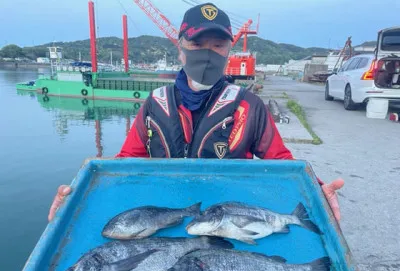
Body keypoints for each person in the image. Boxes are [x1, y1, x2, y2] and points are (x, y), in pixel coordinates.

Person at [48, 3, 344, 222]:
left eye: (218, 45)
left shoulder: (250, 106)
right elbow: (126, 164)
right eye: (197, 44)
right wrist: (80, 197)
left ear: (229, 50)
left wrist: (316, 189)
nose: (207, 53)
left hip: (226, 219)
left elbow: (281, 164)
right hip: (163, 215)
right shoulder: (154, 103)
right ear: (180, 50)